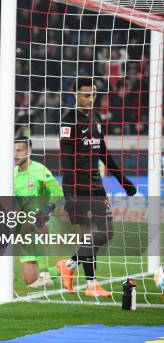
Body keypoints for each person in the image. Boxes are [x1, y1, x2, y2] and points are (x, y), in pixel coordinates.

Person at [58, 77, 136, 297]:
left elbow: (103, 153)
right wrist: (70, 194)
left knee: (106, 233)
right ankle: (91, 284)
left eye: (93, 95)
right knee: (90, 234)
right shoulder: (68, 121)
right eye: (86, 95)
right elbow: (66, 160)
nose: (91, 99)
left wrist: (123, 181)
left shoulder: (96, 118)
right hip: (78, 186)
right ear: (75, 95)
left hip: (96, 185)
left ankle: (69, 265)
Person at [13, 136, 63, 288]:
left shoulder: (39, 169)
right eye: (13, 151)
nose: (15, 154)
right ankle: (60, 268)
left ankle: (45, 274)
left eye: (19, 150)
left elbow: (58, 191)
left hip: (43, 219)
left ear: (29, 151)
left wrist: (47, 209)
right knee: (30, 281)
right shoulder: (12, 174)